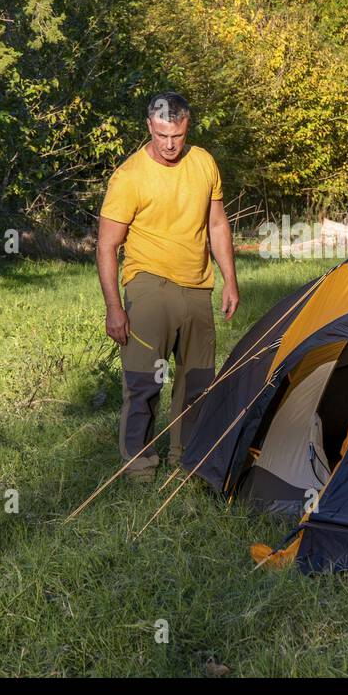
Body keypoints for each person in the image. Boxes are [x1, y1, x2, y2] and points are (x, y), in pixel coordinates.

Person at [97, 92, 240, 482]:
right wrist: (114, 308)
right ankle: (139, 467)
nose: (170, 144)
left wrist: (230, 279)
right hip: (148, 284)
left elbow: (217, 225)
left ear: (187, 127)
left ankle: (188, 458)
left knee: (197, 381)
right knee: (145, 381)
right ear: (149, 127)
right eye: (162, 135)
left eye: (176, 135)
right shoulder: (129, 177)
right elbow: (107, 245)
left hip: (197, 286)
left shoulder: (204, 163)